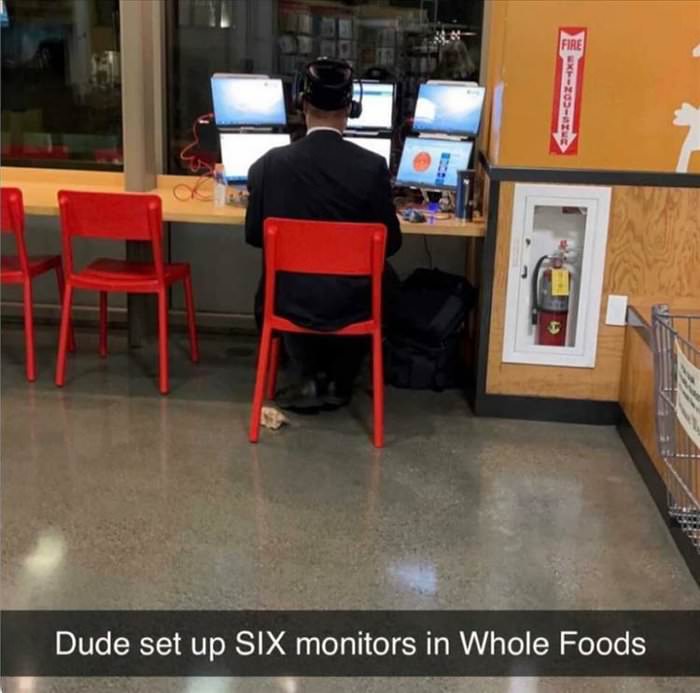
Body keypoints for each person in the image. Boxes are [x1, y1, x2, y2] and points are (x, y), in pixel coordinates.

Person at [245, 57, 402, 412]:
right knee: (385, 280)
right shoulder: (372, 167)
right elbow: (391, 244)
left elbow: (255, 235)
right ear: (351, 110)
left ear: (301, 105)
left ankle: (309, 375)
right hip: (354, 307)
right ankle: (340, 379)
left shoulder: (269, 165)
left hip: (288, 303)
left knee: (282, 278)